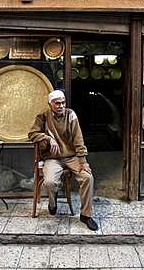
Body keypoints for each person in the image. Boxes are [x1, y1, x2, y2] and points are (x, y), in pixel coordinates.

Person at [28, 89, 98, 231]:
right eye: (57, 103)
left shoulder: (71, 115)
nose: (61, 106)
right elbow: (32, 134)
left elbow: (78, 138)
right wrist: (49, 139)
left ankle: (86, 215)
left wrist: (83, 161)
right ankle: (52, 204)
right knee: (50, 182)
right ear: (50, 104)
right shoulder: (43, 116)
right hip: (53, 158)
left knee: (87, 177)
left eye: (63, 103)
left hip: (71, 157)